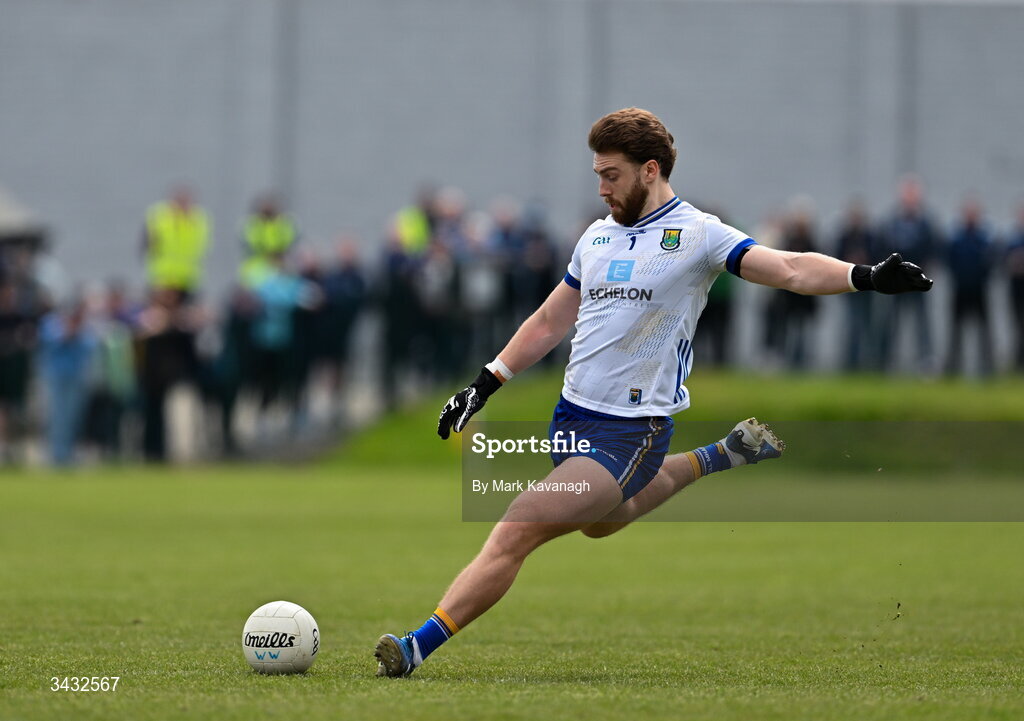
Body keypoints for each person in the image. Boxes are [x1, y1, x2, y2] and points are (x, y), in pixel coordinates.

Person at [372, 108, 934, 677]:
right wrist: (483, 384)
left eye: (610, 175)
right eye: (597, 174)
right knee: (598, 522)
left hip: (630, 432)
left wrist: (862, 277)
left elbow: (788, 267)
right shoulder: (596, 236)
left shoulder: (699, 234)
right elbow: (548, 320)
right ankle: (720, 454)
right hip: (570, 419)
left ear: (648, 170)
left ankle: (415, 646)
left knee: (518, 528)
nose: (601, 188)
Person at [944, 198, 995, 376]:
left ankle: (988, 369)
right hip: (960, 289)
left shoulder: (984, 238)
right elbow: (949, 261)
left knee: (984, 330)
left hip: (980, 290)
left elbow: (991, 263)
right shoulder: (956, 238)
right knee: (956, 331)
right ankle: (952, 369)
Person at [142, 186, 211, 296]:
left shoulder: (198, 220)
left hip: (188, 277)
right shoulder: (159, 218)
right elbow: (147, 245)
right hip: (163, 276)